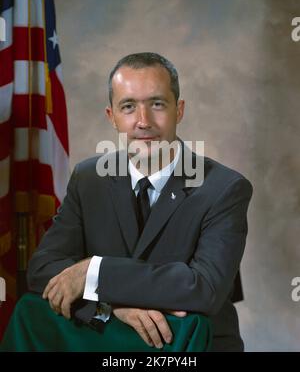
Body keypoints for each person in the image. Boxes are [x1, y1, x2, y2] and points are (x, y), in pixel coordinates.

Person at [12, 52, 253, 352]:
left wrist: (94, 273)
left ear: (179, 110)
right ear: (112, 117)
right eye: (128, 107)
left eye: (157, 104)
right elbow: (42, 269)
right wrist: (109, 310)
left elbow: (204, 289)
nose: (143, 122)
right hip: (106, 343)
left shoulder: (225, 188)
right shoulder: (89, 179)